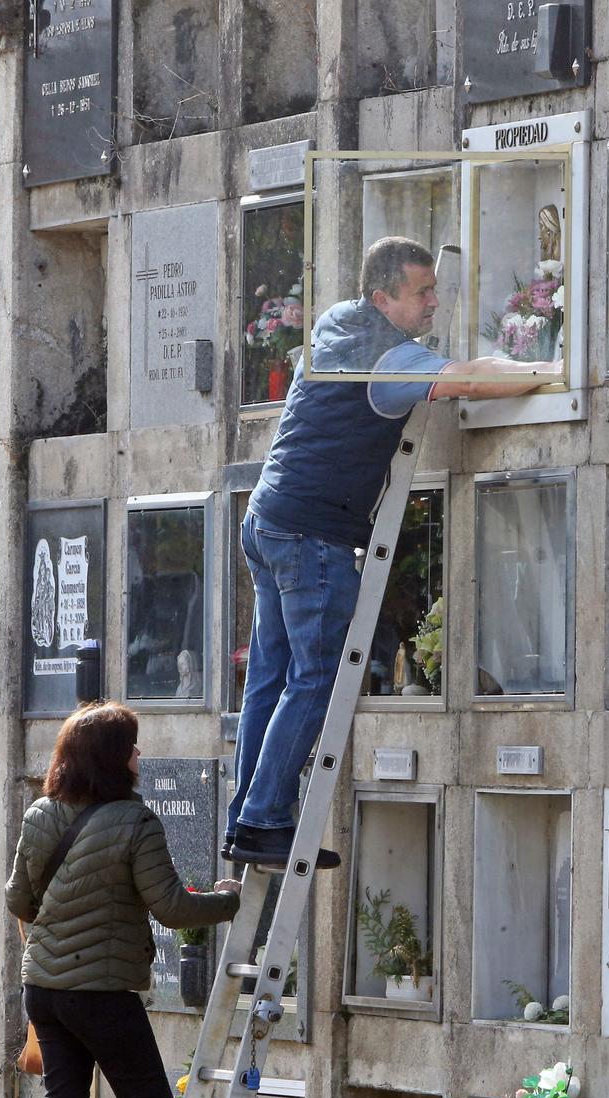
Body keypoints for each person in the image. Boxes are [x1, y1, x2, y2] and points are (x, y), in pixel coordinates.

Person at [225, 236, 555, 868]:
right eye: (422, 293)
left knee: (269, 680)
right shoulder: (388, 360)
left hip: (268, 519)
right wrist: (554, 368)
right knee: (316, 677)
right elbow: (467, 379)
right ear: (383, 298)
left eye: (435, 288)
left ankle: (248, 818)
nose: (434, 303)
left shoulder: (334, 322)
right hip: (312, 536)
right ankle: (266, 819)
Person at [6, 701, 241, 1098]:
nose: (139, 756)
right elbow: (171, 906)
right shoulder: (135, 822)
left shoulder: (41, 815)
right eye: (132, 747)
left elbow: (18, 900)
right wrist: (230, 899)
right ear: (114, 759)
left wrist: (56, 940)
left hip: (46, 990)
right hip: (103, 992)